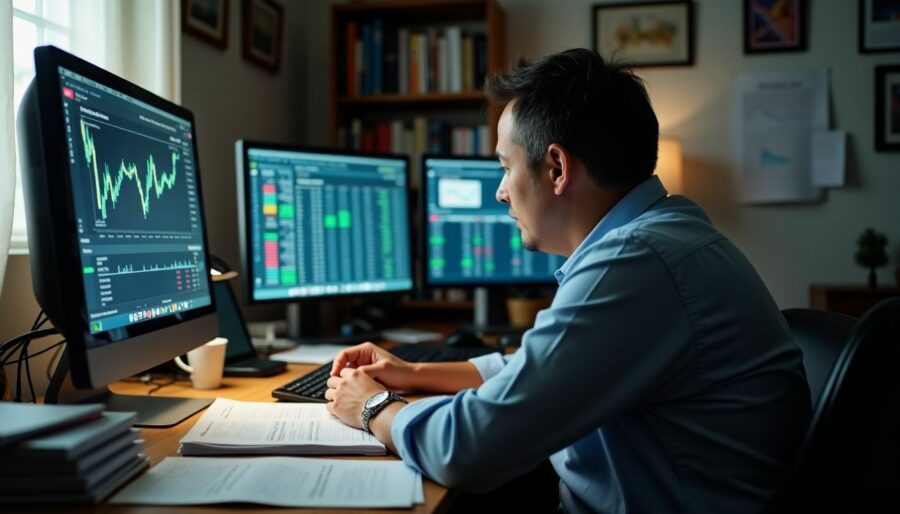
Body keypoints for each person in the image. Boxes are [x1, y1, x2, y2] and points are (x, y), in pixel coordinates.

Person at [325, 48, 811, 514]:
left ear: (556, 168)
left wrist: (371, 405)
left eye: (505, 166)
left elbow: (471, 449)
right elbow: (540, 372)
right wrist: (412, 374)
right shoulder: (667, 236)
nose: (499, 192)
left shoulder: (634, 260)